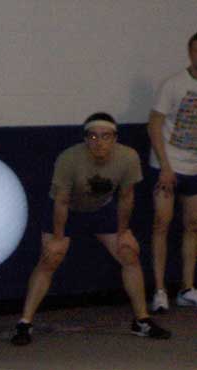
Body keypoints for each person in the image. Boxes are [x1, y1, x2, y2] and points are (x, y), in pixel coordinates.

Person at [11, 113, 171, 346]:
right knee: (51, 257)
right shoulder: (69, 158)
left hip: (101, 209)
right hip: (67, 210)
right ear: (86, 139)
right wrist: (57, 237)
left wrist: (123, 231)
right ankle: (25, 323)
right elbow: (61, 201)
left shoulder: (128, 157)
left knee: (129, 252)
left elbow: (126, 197)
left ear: (115, 138)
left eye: (106, 136)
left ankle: (142, 321)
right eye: (93, 136)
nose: (99, 142)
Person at [148, 32, 197, 312]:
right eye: (194, 51)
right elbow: (154, 125)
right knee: (161, 224)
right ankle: (159, 290)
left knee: (192, 226)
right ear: (189, 53)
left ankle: (187, 288)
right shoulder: (173, 85)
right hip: (168, 166)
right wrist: (165, 166)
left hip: (193, 168)